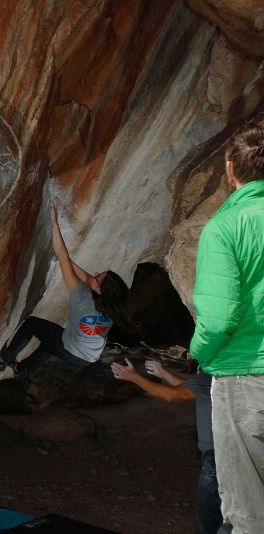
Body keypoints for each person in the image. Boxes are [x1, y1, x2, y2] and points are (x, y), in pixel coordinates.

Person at [189, 123, 264, 534]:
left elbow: (219, 319)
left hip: (246, 373)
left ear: (230, 167)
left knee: (248, 514)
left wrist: (199, 353)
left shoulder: (226, 226)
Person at [0, 200, 136, 380]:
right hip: (89, 358)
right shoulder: (112, 304)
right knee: (50, 342)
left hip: (72, 349)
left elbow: (62, 254)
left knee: (33, 324)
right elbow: (86, 277)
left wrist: (54, 224)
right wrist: (68, 262)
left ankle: (4, 359)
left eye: (98, 277)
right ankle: (23, 369)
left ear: (99, 289)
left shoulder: (82, 298)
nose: (95, 273)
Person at [112, 358, 221, 534]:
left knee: (208, 520)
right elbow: (190, 389)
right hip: (236, 450)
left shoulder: (211, 376)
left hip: (216, 457)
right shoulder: (232, 375)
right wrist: (163, 374)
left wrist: (133, 377)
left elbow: (172, 395)